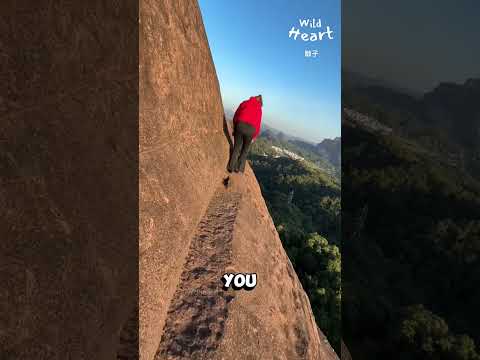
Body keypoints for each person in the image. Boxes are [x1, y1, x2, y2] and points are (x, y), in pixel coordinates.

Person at [227, 95, 263, 173]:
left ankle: (231, 167)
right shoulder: (259, 109)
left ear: (254, 97)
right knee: (245, 150)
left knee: (236, 147)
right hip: (251, 130)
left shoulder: (245, 102)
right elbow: (258, 125)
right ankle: (239, 168)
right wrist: (254, 137)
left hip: (240, 125)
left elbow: (236, 114)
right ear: (260, 102)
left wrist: (235, 126)